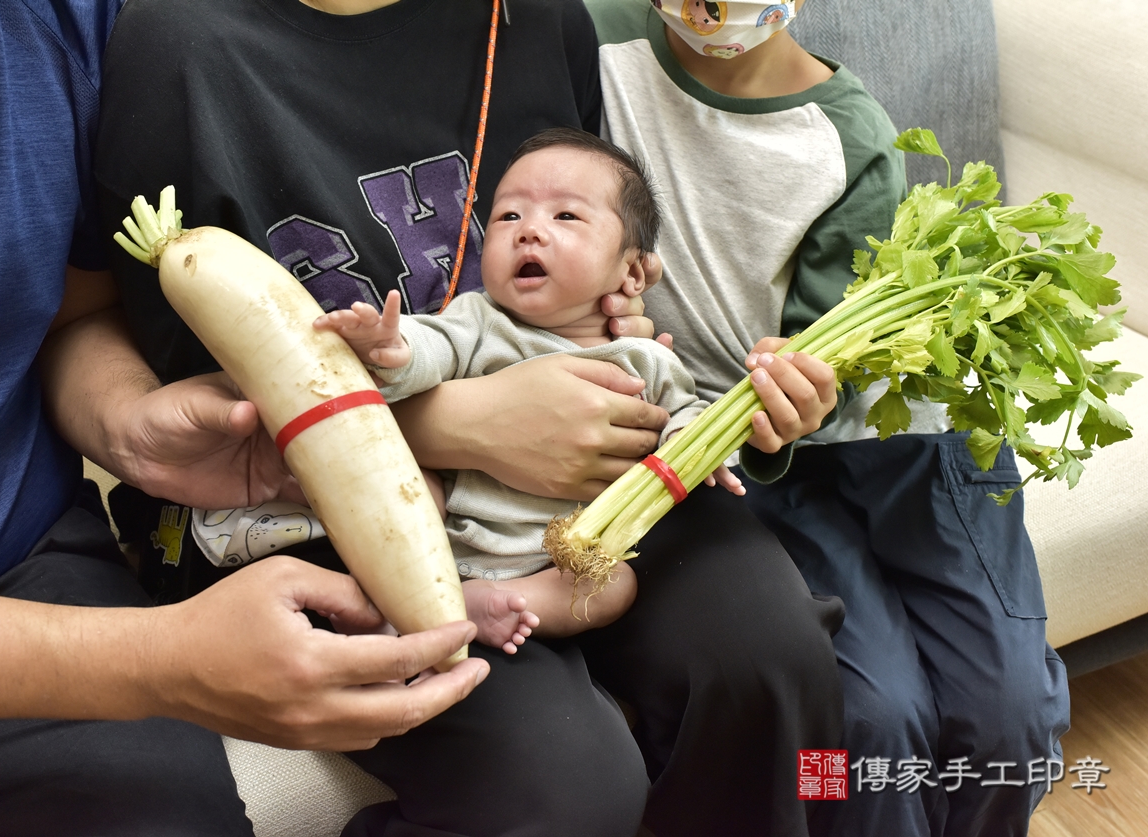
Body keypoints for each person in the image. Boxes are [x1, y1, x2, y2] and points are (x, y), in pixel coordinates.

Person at [96, 0, 847, 834]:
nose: (531, 228)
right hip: (330, 502)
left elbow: (597, 264)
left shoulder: (541, 19)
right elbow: (134, 365)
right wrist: (463, 419)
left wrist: (732, 409)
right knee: (568, 785)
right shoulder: (171, 46)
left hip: (601, 484)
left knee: (782, 661)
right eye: (513, 215)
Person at [0, 2, 488, 834]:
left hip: (19, 561)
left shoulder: (47, 20)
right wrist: (159, 661)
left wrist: (125, 422)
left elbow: (67, 310)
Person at [584, 0, 1070, 835]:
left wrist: (810, 382)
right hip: (773, 468)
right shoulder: (595, 38)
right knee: (866, 720)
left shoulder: (848, 135)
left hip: (914, 443)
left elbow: (836, 360)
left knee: (1008, 716)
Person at [313, 128, 745, 651]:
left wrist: (697, 443)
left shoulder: (645, 359)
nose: (529, 231)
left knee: (612, 586)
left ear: (631, 272)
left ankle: (479, 603)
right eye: (508, 216)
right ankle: (399, 599)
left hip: (561, 557)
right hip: (450, 526)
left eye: (565, 216)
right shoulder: (478, 319)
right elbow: (433, 346)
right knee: (408, 487)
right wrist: (393, 347)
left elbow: (684, 412)